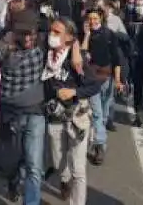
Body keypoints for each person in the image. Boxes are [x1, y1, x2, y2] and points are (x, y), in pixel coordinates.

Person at [0, 9, 54, 204]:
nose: (27, 38)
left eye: (30, 33)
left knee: (34, 165)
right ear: (15, 32)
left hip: (35, 113)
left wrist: (75, 51)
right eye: (22, 34)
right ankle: (13, 182)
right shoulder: (5, 47)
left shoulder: (44, 43)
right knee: (12, 163)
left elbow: (70, 37)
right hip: (10, 117)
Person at [43, 17, 100, 204]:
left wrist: (74, 91)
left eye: (57, 32)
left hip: (77, 118)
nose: (52, 35)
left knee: (78, 169)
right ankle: (64, 181)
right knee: (60, 164)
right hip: (55, 117)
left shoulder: (76, 60)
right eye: (51, 31)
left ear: (68, 37)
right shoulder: (47, 53)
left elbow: (94, 87)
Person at [81, 8, 125, 166]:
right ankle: (100, 146)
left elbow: (116, 59)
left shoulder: (109, 34)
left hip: (107, 78)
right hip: (92, 79)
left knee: (104, 113)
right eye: (90, 18)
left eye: (95, 18)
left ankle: (101, 144)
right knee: (98, 113)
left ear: (100, 18)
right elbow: (83, 54)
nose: (92, 21)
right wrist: (86, 35)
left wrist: (118, 80)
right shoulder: (86, 36)